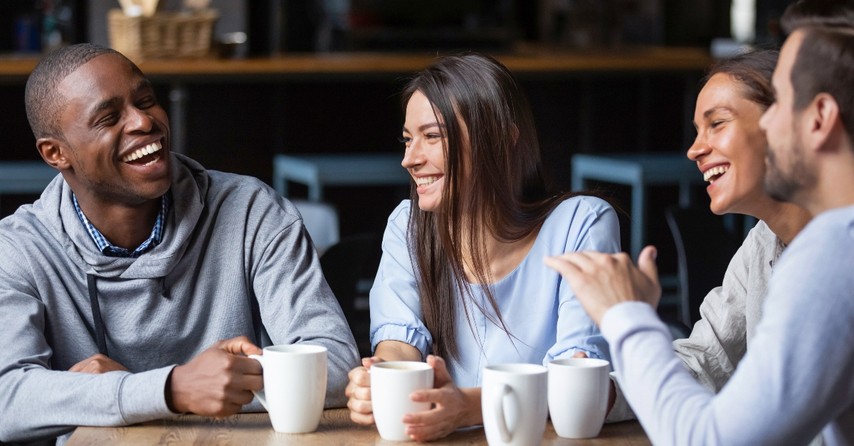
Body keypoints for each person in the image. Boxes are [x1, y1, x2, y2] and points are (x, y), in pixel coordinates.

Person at [0, 43, 360, 444]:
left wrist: (137, 391)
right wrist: (172, 389)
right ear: (56, 153)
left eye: (146, 100)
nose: (143, 122)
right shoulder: (17, 250)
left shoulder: (253, 212)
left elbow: (337, 362)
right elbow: (7, 400)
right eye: (109, 117)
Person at [545, 26, 854, 445]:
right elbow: (707, 360)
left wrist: (626, 316)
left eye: (717, 124)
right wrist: (604, 391)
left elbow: (710, 437)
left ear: (819, 117)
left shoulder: (834, 253)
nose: (693, 150)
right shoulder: (769, 243)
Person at [345, 53, 621, 441]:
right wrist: (381, 380)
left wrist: (468, 406)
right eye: (408, 139)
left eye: (432, 136)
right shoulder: (409, 226)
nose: (410, 158)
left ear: (501, 140)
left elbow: (576, 385)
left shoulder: (580, 224)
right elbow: (398, 345)